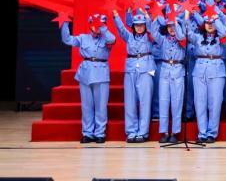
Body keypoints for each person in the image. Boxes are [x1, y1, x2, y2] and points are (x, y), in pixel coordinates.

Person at [60, 13, 115, 143]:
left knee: (101, 106)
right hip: (85, 73)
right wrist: (65, 23)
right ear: (90, 25)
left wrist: (102, 28)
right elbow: (67, 39)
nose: (97, 27)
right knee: (86, 106)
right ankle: (87, 133)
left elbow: (112, 39)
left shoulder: (106, 37)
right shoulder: (83, 38)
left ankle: (100, 133)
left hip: (101, 73)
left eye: (101, 24)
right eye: (95, 24)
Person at [112, 8, 156, 143]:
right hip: (131, 68)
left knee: (145, 101)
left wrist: (147, 17)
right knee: (130, 101)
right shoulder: (129, 36)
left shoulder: (149, 36)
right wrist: (116, 16)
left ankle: (143, 132)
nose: (139, 27)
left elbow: (152, 28)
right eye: (137, 25)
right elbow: (121, 29)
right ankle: (131, 131)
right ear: (133, 26)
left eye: (141, 25)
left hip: (146, 68)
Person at [189, 12, 226, 143]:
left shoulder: (220, 38)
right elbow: (186, 33)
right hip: (199, 71)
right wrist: (187, 17)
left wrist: (216, 19)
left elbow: (224, 32)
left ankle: (212, 133)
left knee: (215, 103)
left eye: (212, 23)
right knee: (199, 103)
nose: (210, 25)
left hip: (216, 71)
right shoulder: (198, 37)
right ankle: (202, 133)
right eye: (207, 23)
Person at [152, 9, 187, 144]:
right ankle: (165, 132)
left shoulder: (182, 39)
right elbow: (154, 32)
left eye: (174, 26)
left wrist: (176, 22)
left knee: (176, 102)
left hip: (178, 70)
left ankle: (175, 132)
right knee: (164, 101)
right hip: (165, 70)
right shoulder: (163, 40)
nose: (172, 29)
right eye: (169, 26)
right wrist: (156, 17)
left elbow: (180, 37)